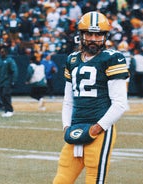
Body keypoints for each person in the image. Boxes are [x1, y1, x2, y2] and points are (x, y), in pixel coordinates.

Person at [53, 12, 129, 184]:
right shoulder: (72, 60)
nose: (93, 39)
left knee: (94, 180)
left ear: (105, 36)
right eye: (89, 34)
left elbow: (120, 104)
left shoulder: (112, 59)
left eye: (98, 34)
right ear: (81, 35)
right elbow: (68, 100)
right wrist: (66, 127)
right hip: (76, 127)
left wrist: (96, 128)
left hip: (99, 130)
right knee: (61, 180)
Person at [0, 46, 18, 117]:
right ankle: (6, 110)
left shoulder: (10, 60)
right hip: (1, 81)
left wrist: (13, 81)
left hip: (7, 81)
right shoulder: (0, 60)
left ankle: (10, 110)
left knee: (6, 95)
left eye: (3, 52)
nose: (1, 53)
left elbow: (14, 71)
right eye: (1, 52)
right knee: (2, 96)